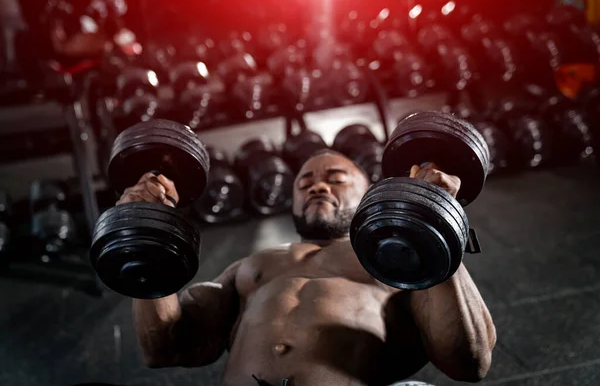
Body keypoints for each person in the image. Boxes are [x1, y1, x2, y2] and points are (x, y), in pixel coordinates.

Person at [125, 149, 496, 386]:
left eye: (335, 179)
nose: (318, 186)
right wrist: (146, 228)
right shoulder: (253, 265)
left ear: (368, 192)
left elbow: (469, 361)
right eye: (305, 183)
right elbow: (165, 348)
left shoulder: (402, 263)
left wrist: (434, 221)